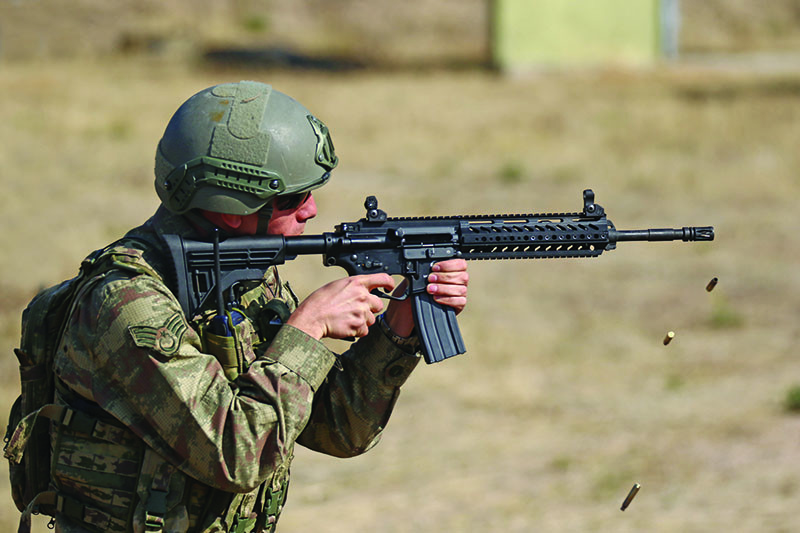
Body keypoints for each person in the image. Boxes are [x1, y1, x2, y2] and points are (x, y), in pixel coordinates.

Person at [45, 80, 469, 532]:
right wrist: (307, 330)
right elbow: (234, 454)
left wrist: (398, 331)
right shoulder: (126, 304)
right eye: (291, 198)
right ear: (232, 208)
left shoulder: (243, 278)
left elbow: (337, 428)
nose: (311, 210)